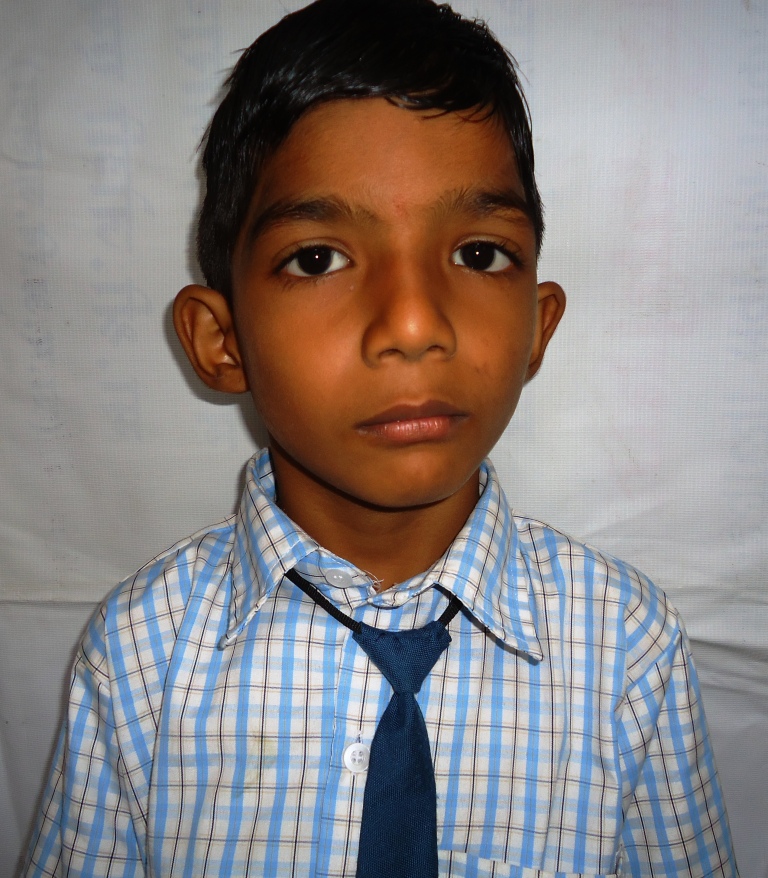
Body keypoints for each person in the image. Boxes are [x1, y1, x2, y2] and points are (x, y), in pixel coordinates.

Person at [23, 0, 738, 875]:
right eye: (317, 258)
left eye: (478, 254)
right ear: (223, 341)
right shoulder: (140, 657)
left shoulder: (627, 648)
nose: (411, 323)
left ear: (538, 326)